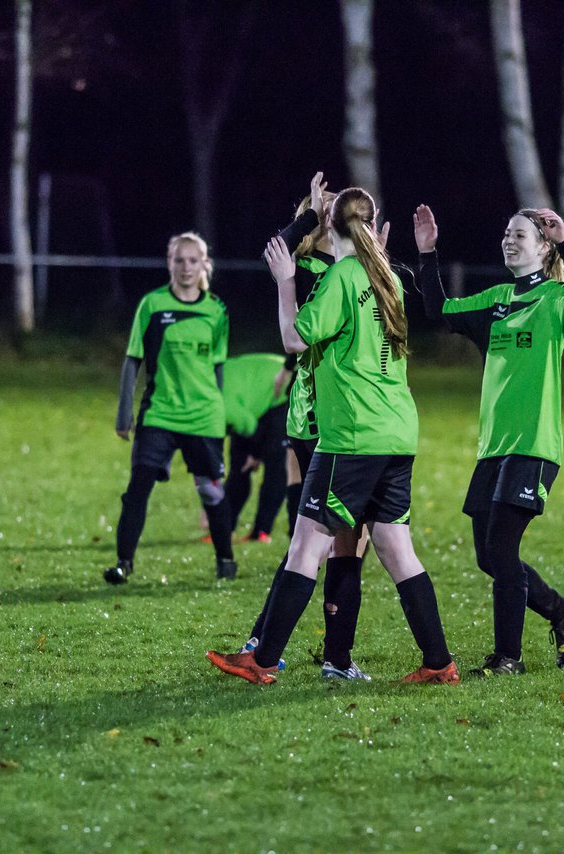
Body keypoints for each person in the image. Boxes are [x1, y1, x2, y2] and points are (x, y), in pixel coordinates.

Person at [208, 185, 458, 685]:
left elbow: (294, 338)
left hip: (352, 437)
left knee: (304, 547)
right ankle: (438, 663)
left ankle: (261, 660)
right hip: (397, 432)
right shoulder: (385, 273)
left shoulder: (344, 275)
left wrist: (284, 282)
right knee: (395, 548)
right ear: (372, 220)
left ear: (331, 224)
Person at [413, 203, 564, 676]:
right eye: (507, 233)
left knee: (501, 552)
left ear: (541, 247)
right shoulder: (495, 301)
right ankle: (561, 612)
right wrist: (427, 253)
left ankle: (507, 658)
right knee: (487, 557)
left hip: (533, 447)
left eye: (520, 234)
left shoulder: (556, 300)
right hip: (493, 448)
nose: (509, 240)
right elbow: (437, 309)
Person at [239, 174, 375, 680]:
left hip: (334, 413)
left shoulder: (349, 270)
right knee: (327, 542)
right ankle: (321, 654)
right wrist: (310, 216)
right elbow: (278, 253)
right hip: (324, 416)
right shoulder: (322, 269)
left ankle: (286, 645)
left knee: (331, 541)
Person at [104, 231, 237, 585]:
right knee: (138, 486)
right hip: (160, 413)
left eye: (193, 260)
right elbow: (132, 360)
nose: (186, 267)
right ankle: (123, 563)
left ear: (203, 264)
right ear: (169, 263)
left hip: (203, 416)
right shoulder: (152, 305)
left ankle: (225, 560)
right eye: (180, 260)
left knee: (211, 491)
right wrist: (123, 413)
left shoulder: (217, 311)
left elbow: (218, 367)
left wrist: (220, 413)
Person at [221, 352, 290, 543]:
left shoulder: (221, 405)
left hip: (281, 393)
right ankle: (224, 529)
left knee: (275, 470)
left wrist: (255, 454)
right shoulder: (211, 393)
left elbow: (249, 425)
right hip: (253, 400)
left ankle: (260, 531)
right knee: (238, 471)